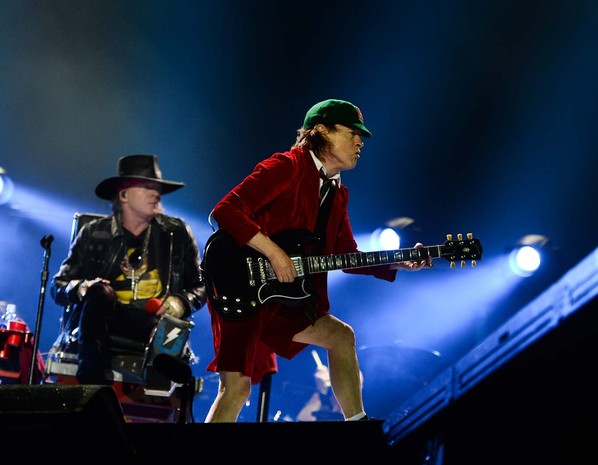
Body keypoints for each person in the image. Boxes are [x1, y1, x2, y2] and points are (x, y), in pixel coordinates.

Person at [202, 98, 432, 422]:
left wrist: (398, 261)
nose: (359, 141)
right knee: (236, 389)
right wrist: (274, 252)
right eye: (351, 132)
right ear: (321, 131)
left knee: (341, 336)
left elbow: (347, 257)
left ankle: (357, 424)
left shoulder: (338, 193)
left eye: (360, 136)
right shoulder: (287, 166)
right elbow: (224, 211)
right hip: (240, 286)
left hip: (283, 299)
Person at [51, 154, 206, 385]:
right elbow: (58, 285)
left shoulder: (176, 233)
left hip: (155, 323)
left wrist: (181, 301)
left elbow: (202, 285)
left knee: (170, 332)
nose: (156, 194)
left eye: (157, 188)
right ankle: (91, 385)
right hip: (103, 322)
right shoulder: (95, 233)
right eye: (147, 187)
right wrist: (82, 288)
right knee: (99, 294)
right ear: (123, 195)